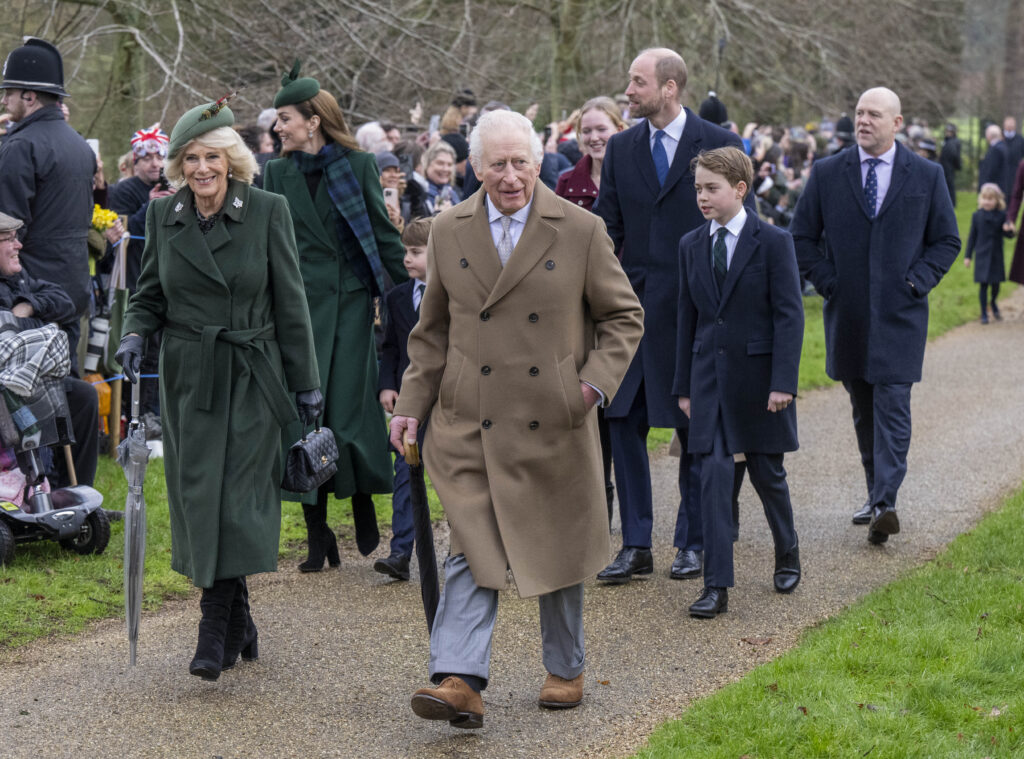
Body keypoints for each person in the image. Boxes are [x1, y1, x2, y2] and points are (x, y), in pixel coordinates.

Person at [389, 110, 643, 727]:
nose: (510, 177)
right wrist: (411, 405)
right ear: (476, 167)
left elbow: (623, 317)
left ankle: (565, 667)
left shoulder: (580, 229)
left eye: (521, 162)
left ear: (538, 162)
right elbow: (432, 334)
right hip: (470, 420)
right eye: (497, 164)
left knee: (554, 544)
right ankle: (460, 679)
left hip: (553, 417)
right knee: (472, 546)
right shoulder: (449, 230)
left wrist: (588, 388)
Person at [115, 98, 322, 681]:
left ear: (231, 160)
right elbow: (150, 291)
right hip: (189, 377)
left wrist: (305, 381)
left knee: (237, 496)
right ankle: (240, 620)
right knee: (200, 495)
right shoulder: (163, 216)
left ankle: (213, 629)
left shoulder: (266, 210)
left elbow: (291, 301)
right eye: (190, 158)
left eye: (212, 156)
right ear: (178, 165)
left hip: (252, 372)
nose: (202, 168)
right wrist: (134, 335)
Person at [593, 47, 748, 584]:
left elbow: (738, 230)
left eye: (637, 82)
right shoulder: (620, 147)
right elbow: (606, 227)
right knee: (622, 423)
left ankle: (693, 540)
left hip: (694, 312)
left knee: (692, 426)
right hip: (629, 312)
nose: (629, 91)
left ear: (670, 87)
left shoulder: (720, 145)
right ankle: (636, 543)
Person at [790, 86, 960, 545]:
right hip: (848, 316)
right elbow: (801, 236)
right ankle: (874, 495)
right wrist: (829, 282)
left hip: (901, 315)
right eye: (860, 113)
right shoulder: (827, 173)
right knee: (863, 409)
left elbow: (946, 240)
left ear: (897, 123)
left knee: (893, 406)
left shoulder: (926, 175)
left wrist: (915, 281)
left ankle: (886, 501)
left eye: (874, 115)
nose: (863, 121)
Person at [264, 61, 407, 570]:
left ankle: (363, 501)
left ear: (313, 120)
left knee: (348, 415)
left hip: (348, 306)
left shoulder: (358, 165)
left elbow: (383, 236)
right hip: (298, 309)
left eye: (284, 118)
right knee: (307, 418)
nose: (277, 127)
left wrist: (413, 290)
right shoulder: (275, 172)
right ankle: (316, 531)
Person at [673, 148, 803, 619]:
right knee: (712, 479)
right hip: (708, 381)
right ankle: (716, 586)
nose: (702, 197)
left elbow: (790, 315)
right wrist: (683, 387)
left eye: (711, 188)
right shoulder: (690, 244)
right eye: (698, 189)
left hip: (760, 381)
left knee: (768, 476)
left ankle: (787, 550)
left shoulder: (772, 242)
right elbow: (686, 318)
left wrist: (783, 381)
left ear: (740, 189)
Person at [0, 38, 96, 372]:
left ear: (29, 96)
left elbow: (7, 229)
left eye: (8, 92)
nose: (3, 99)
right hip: (72, 292)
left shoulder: (20, 146)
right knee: (66, 401)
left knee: (28, 413)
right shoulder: (80, 145)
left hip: (30, 299)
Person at [555, 96, 627, 522]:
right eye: (587, 130)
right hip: (578, 311)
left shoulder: (630, 180)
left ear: (619, 129)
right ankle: (596, 500)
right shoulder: (566, 183)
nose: (595, 137)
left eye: (603, 129)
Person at [0, 211, 98, 488]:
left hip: (31, 376)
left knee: (83, 396)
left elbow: (64, 302)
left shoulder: (18, 278)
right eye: (8, 239)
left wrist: (29, 306)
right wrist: (40, 324)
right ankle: (32, 491)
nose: (19, 245)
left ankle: (76, 493)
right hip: (7, 383)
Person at [375, 217, 432, 580]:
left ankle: (478, 549)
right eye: (404, 252)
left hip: (448, 402)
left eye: (415, 252)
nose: (406, 259)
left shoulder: (457, 294)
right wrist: (386, 385)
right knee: (405, 474)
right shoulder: (396, 297)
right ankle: (400, 553)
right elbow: (391, 348)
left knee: (460, 477)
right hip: (409, 402)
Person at [964, 183, 1012, 324]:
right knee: (983, 285)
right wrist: (968, 256)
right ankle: (984, 312)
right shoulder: (976, 216)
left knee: (996, 285)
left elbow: (1008, 235)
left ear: (997, 200)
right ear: (980, 199)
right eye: (984, 198)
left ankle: (993, 302)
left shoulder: (1002, 216)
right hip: (982, 256)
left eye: (991, 199)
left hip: (996, 255)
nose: (987, 201)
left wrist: (1009, 229)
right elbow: (972, 237)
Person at [412, 140, 461, 215]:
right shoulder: (418, 195)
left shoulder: (453, 193)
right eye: (440, 163)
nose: (445, 169)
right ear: (427, 164)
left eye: (449, 164)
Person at [978, 123, 1013, 197]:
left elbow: (991, 169)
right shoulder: (1001, 146)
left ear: (989, 135)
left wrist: (985, 185)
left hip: (994, 187)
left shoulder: (996, 149)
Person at [939, 123, 962, 206]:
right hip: (945, 166)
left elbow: (955, 155)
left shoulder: (954, 142)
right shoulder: (947, 141)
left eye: (950, 131)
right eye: (947, 131)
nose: (948, 133)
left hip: (949, 166)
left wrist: (957, 165)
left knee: (950, 185)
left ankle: (952, 203)